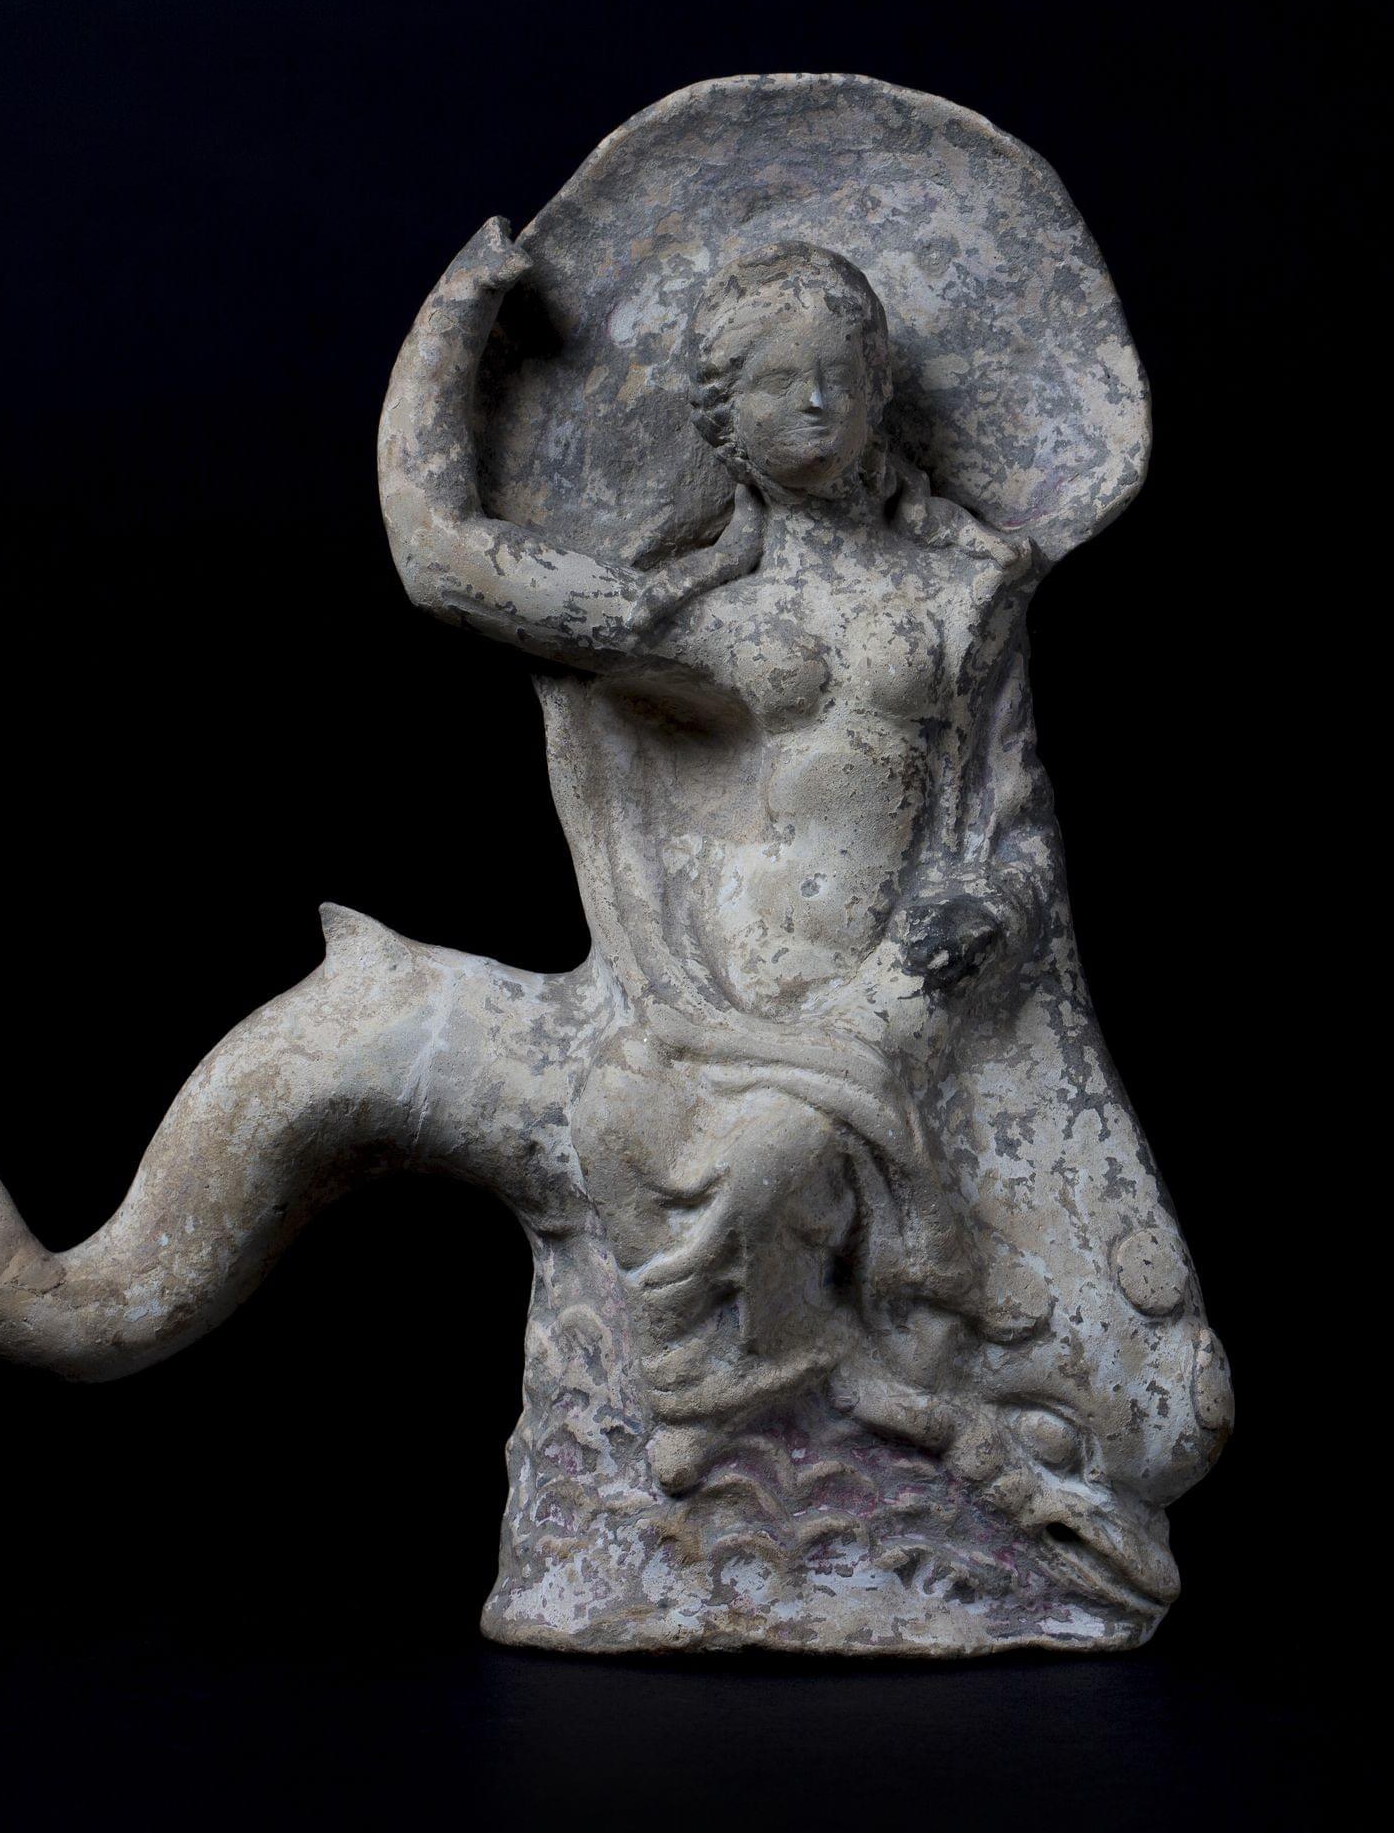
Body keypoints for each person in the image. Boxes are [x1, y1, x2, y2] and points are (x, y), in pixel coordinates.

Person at [379, 219, 1072, 1484]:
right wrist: (456, 321)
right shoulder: (686, 607)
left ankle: (826, 1397)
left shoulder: (959, 595)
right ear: (719, 417)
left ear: (880, 394)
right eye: (777, 379)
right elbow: (440, 558)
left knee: (771, 1163)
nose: (815, 403)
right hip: (710, 1006)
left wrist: (899, 1002)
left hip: (878, 1012)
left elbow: (1008, 846)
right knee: (622, 1118)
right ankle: (752, 1396)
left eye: (842, 377)